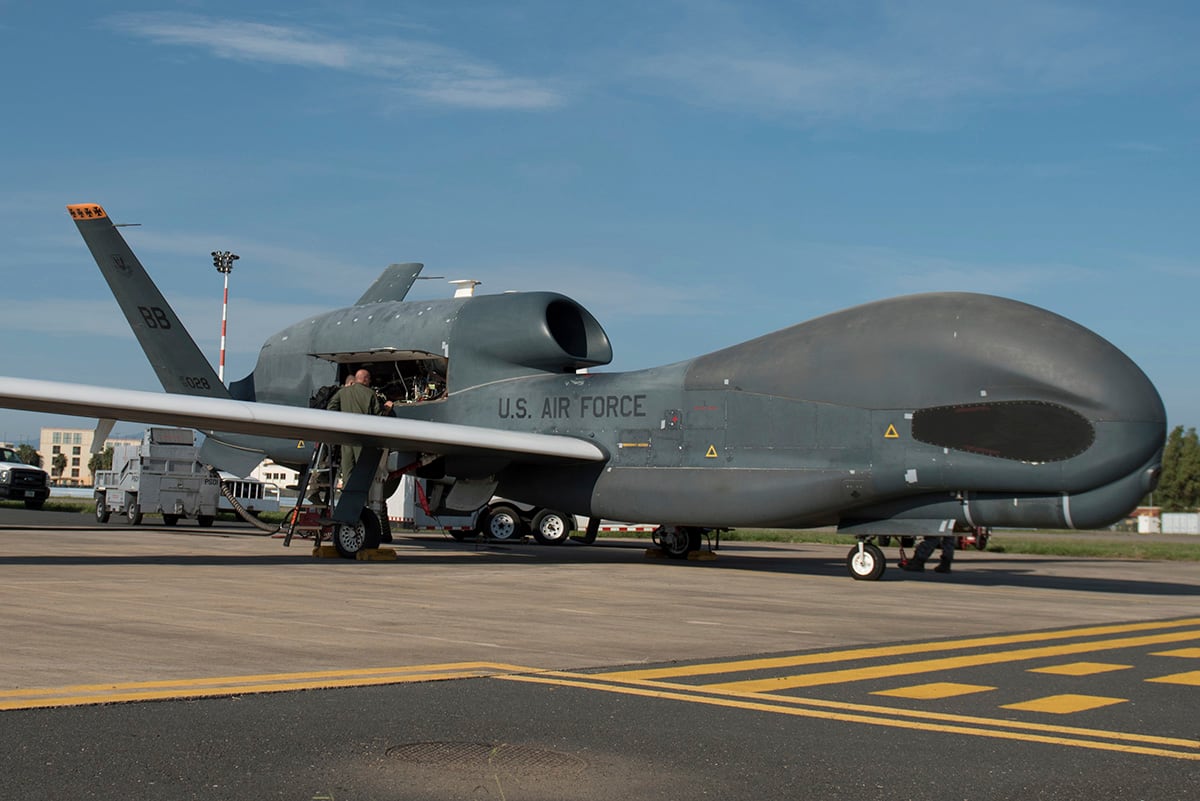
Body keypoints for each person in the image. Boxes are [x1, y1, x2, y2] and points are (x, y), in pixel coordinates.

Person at [326, 369, 393, 484]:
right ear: (365, 379)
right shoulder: (370, 393)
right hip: (362, 437)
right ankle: (360, 493)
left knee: (347, 467)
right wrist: (387, 408)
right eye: (369, 379)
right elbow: (379, 415)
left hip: (346, 435)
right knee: (362, 467)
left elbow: (331, 408)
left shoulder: (343, 392)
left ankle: (346, 493)